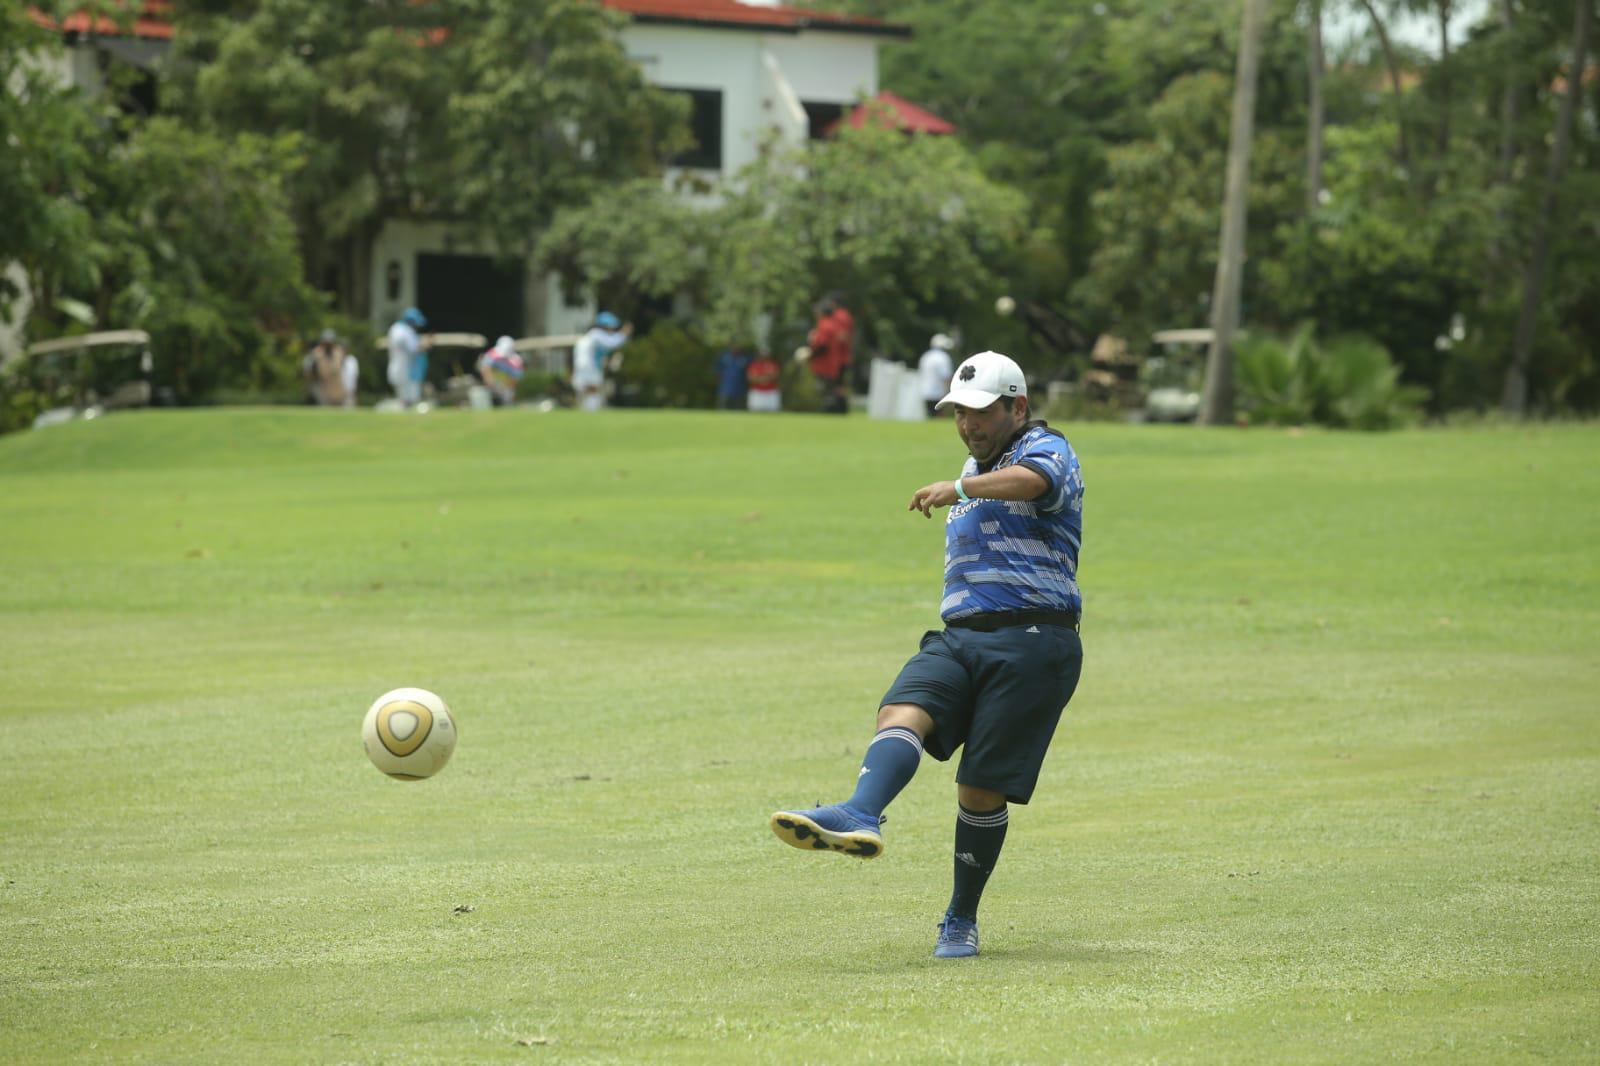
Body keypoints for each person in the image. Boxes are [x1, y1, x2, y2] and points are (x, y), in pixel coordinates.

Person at [769, 349, 1085, 960]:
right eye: (959, 414)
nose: (967, 425)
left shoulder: (1048, 449)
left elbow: (1038, 483)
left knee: (979, 791)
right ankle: (861, 812)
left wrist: (959, 485)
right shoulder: (977, 461)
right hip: (963, 635)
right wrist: (966, 478)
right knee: (902, 708)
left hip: (1033, 642)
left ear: (1017, 407)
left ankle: (961, 919)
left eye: (980, 412)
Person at [571, 311, 631, 412]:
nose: (612, 331)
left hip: (584, 364)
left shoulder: (592, 335)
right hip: (588, 364)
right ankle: (590, 411)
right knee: (593, 388)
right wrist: (624, 334)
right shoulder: (597, 334)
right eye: (611, 328)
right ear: (604, 327)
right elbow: (612, 342)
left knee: (586, 390)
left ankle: (584, 410)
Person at [806, 294, 854, 415]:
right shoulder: (835, 322)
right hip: (837, 360)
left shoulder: (827, 323)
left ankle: (835, 410)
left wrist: (810, 354)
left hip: (828, 362)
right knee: (836, 387)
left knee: (830, 388)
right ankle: (840, 409)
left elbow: (823, 344)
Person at [303, 329, 358, 408]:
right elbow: (310, 372)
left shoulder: (338, 353)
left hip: (336, 386)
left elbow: (343, 372)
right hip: (320, 385)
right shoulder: (317, 354)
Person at [386, 307, 430, 407]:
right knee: (404, 398)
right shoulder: (400, 330)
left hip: (407, 368)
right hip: (401, 368)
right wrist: (425, 345)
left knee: (409, 398)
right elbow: (412, 348)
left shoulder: (404, 330)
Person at [477, 335, 525, 406]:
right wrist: (490, 382)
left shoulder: (517, 361)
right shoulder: (492, 353)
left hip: (507, 389)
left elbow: (515, 378)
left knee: (507, 402)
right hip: (491, 386)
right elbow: (485, 367)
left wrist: (504, 387)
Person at [917, 333, 956, 417]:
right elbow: (946, 377)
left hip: (925, 392)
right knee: (940, 417)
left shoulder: (925, 356)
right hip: (938, 393)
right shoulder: (943, 357)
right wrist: (950, 393)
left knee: (930, 417)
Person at [746, 346, 781, 412]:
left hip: (771, 392)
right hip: (757, 392)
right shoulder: (754, 365)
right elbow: (750, 378)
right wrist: (762, 379)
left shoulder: (773, 364)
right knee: (755, 412)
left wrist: (764, 378)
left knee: (773, 413)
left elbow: (776, 375)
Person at [715, 345, 751, 410]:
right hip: (725, 387)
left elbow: (749, 372)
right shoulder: (724, 357)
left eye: (737, 348)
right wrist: (719, 381)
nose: (736, 349)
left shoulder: (745, 358)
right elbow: (718, 370)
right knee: (723, 406)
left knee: (739, 407)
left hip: (740, 387)